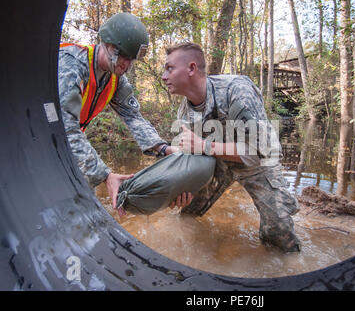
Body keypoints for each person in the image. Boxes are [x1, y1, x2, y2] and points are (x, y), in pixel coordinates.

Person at [162, 42, 301, 253]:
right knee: (187, 215)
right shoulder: (185, 112)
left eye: (169, 68)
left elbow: (257, 153)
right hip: (217, 162)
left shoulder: (237, 90)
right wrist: (182, 184)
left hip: (259, 162)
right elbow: (190, 153)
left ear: (191, 68)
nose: (164, 76)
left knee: (279, 233)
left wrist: (203, 145)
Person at [58, 13, 191, 214]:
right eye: (125, 57)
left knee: (86, 206)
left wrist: (163, 149)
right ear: (110, 46)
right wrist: (105, 175)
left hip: (71, 142)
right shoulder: (72, 65)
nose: (128, 65)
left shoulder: (115, 79)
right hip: (38, 139)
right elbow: (64, 129)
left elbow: (133, 116)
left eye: (132, 60)